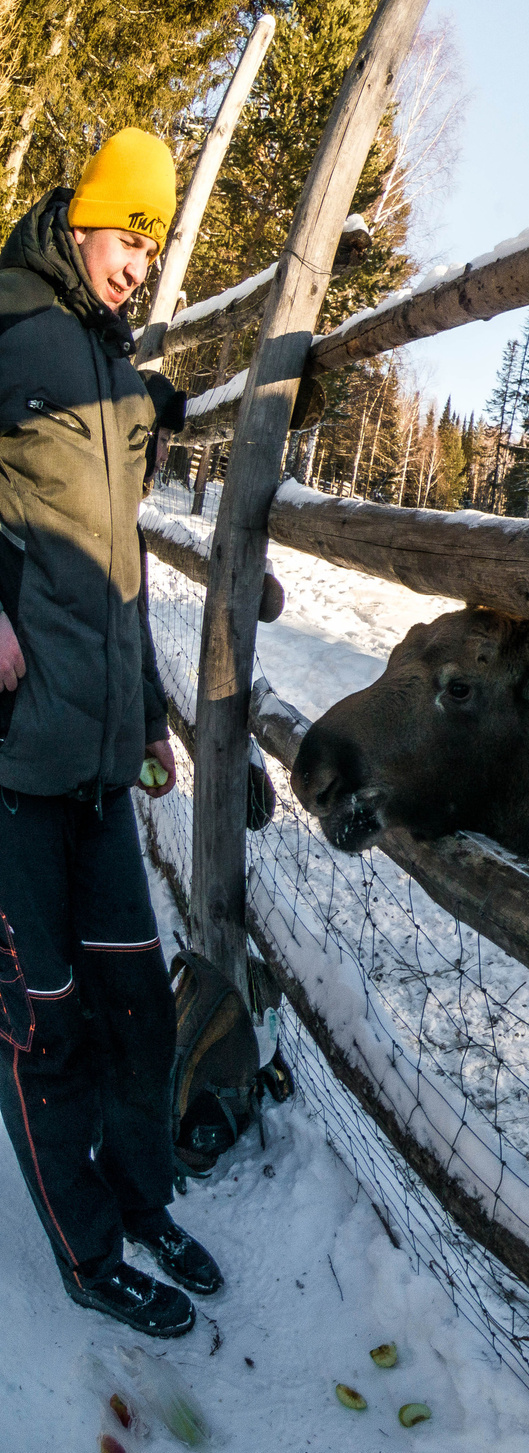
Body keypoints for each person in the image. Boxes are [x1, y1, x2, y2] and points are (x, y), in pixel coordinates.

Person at [0, 127, 221, 1339]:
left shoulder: (111, 360)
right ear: (82, 211)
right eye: (125, 228)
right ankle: (85, 1250)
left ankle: (142, 1201)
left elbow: (120, 564)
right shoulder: (8, 317)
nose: (137, 256)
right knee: (46, 1019)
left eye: (152, 238)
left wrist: (144, 717)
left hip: (94, 750)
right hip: (11, 755)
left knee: (139, 1002)